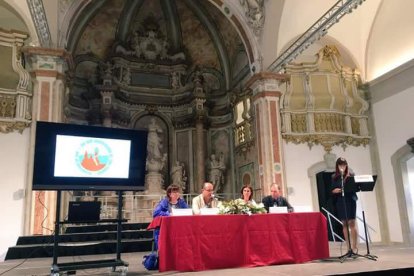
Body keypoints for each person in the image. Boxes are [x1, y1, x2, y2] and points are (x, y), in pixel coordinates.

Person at [331, 157, 358, 253]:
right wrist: (334, 191)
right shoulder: (334, 177)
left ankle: (355, 246)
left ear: (346, 165)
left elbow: (355, 188)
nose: (342, 167)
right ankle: (348, 247)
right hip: (341, 201)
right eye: (340, 165)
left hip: (350, 200)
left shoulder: (351, 175)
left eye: (344, 165)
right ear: (337, 166)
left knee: (352, 223)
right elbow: (332, 189)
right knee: (344, 223)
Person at [152, 184, 189, 248]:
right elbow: (156, 213)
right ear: (169, 194)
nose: (177, 194)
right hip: (167, 229)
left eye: (177, 192)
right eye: (174, 192)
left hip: (179, 228)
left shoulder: (181, 202)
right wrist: (168, 214)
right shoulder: (164, 202)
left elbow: (188, 211)